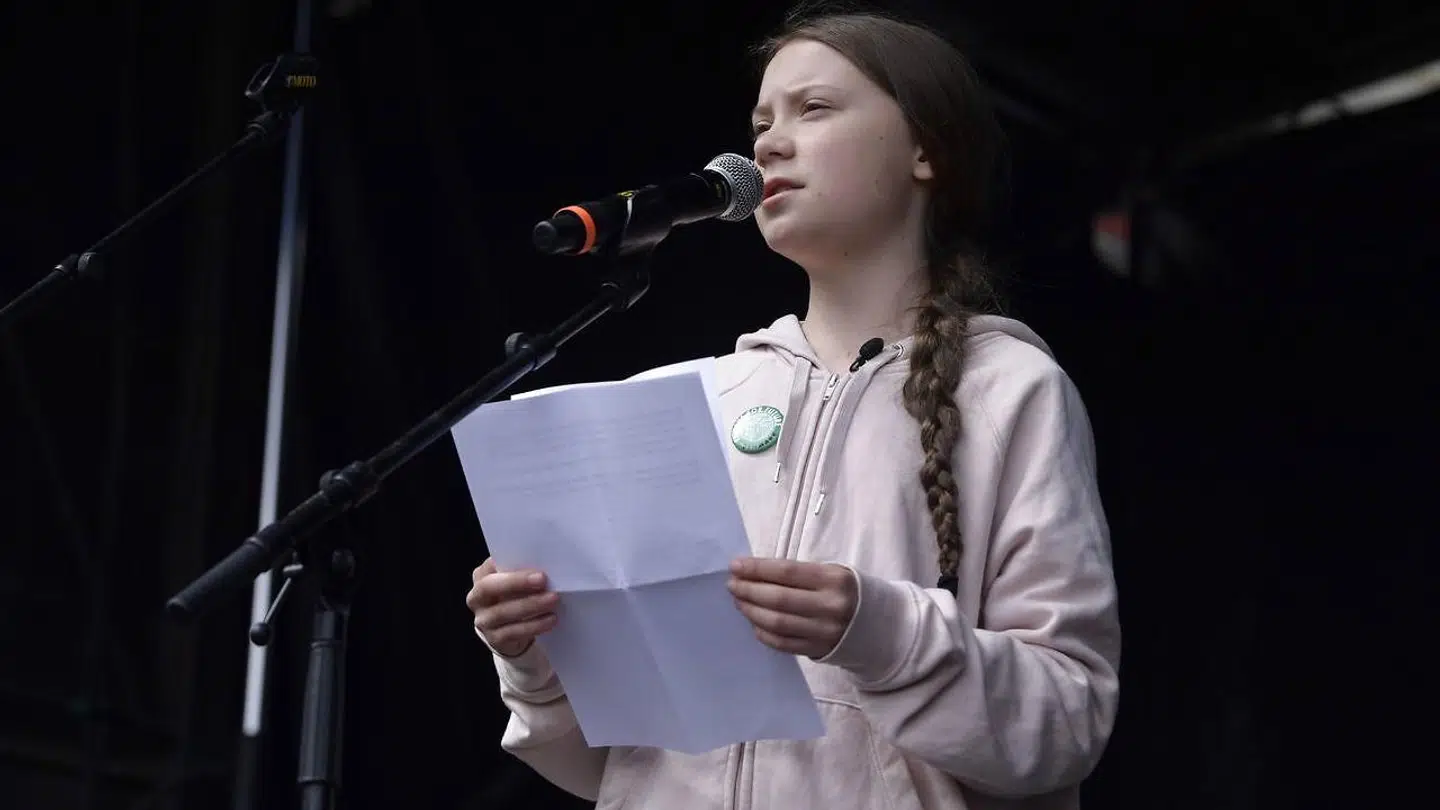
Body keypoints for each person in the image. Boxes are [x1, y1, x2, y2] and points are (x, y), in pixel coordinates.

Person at [466, 9, 1121, 809]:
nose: (767, 145)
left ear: (926, 150)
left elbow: (1068, 723)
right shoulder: (681, 401)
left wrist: (879, 630)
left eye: (814, 110)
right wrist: (535, 658)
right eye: (761, 122)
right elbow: (613, 764)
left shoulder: (1009, 389)